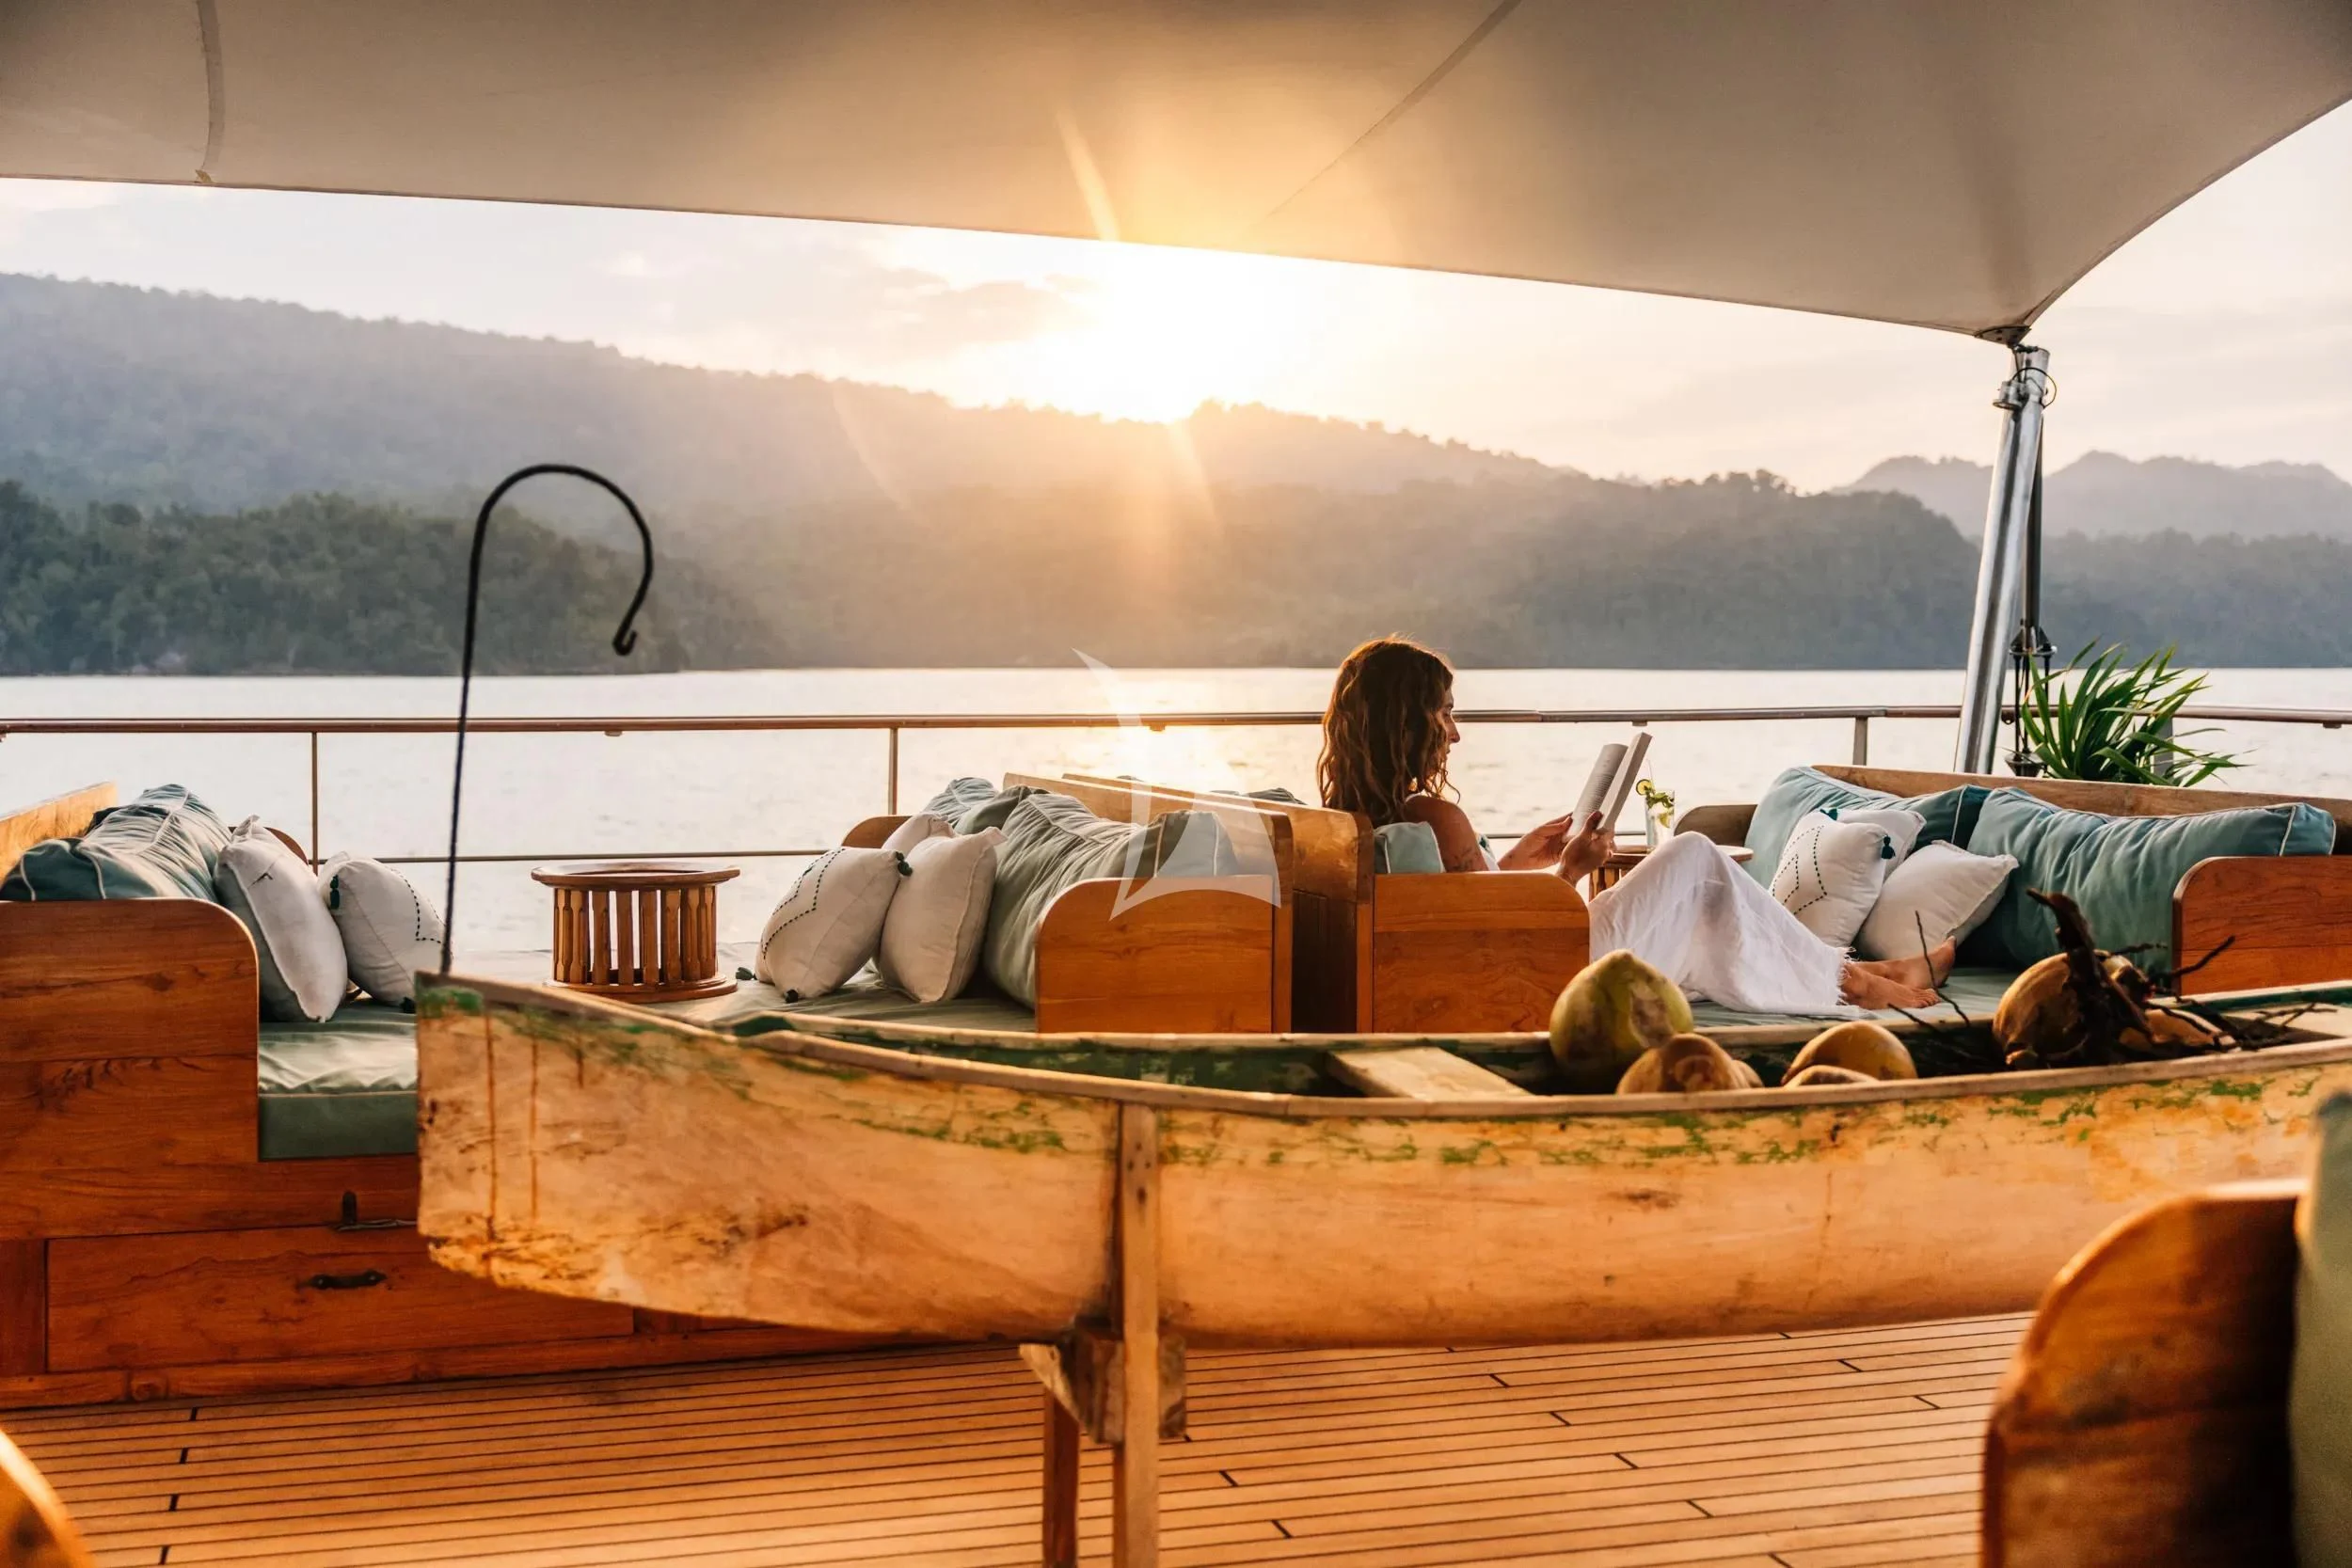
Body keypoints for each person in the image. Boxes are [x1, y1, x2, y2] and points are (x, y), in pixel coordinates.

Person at [1316, 636, 1950, 1013]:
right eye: (1443, 714)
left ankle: (1857, 975)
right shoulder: (1435, 817)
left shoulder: (1357, 819)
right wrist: (1571, 868)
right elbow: (1504, 937)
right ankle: (1860, 981)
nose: (1454, 732)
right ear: (1406, 720)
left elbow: (1460, 913)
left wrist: (1519, 862)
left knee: (1703, 906)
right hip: (1540, 969)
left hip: (1517, 956)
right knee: (1696, 858)